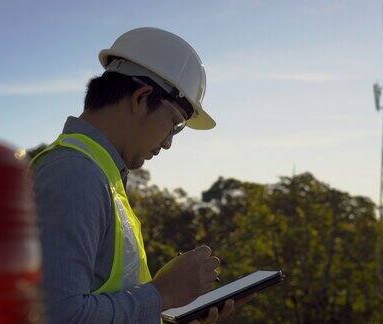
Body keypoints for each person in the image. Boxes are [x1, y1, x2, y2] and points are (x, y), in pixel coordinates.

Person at [31, 27, 250, 323]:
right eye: (174, 123)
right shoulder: (73, 173)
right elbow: (57, 316)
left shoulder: (99, 173)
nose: (169, 142)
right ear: (141, 97)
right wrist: (163, 294)